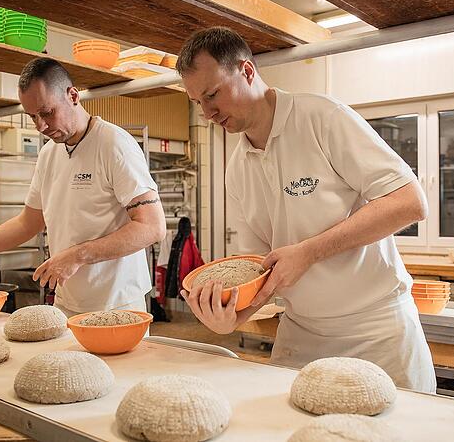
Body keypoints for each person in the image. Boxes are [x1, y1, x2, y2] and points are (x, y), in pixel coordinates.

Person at [176, 27, 436, 393]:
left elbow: (410, 202)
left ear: (247, 71)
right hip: (302, 335)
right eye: (197, 103)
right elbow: (260, 270)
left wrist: (309, 252)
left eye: (212, 94)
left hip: (377, 331)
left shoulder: (321, 118)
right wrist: (230, 318)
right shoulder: (237, 170)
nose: (206, 112)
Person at [0, 58, 166, 317]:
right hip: (66, 303)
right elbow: (27, 224)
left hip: (118, 304)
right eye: (32, 116)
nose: (40, 126)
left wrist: (78, 256)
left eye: (47, 113)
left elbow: (152, 227)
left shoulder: (114, 145)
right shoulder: (48, 154)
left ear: (73, 95)